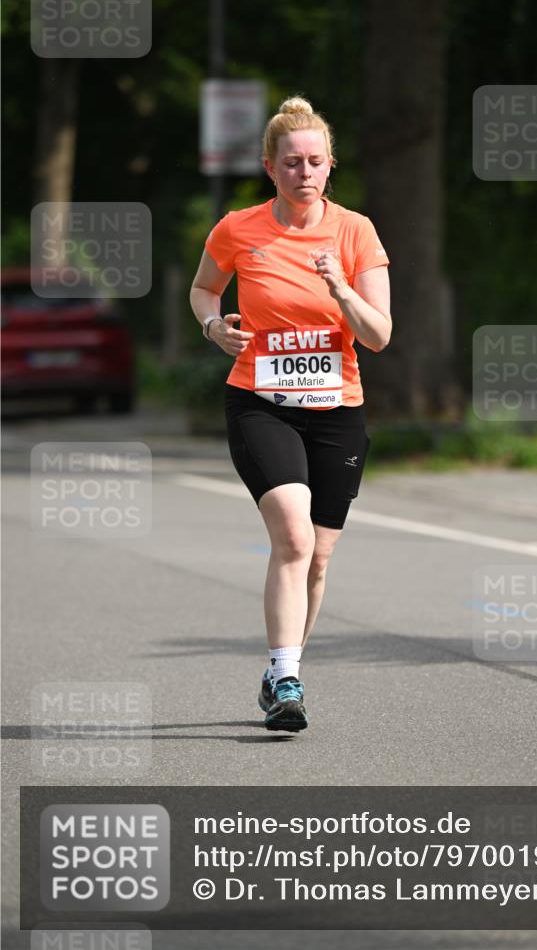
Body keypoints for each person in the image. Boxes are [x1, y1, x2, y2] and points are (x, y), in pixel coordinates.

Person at [189, 96, 391, 733]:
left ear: (330, 166)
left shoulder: (356, 232)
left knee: (320, 559)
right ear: (269, 167)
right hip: (260, 403)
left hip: (337, 410)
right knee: (294, 538)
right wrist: (212, 327)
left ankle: (283, 665)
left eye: (315, 162)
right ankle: (285, 677)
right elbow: (203, 290)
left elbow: (379, 335)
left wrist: (341, 288)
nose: (304, 172)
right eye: (291, 163)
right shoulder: (237, 229)